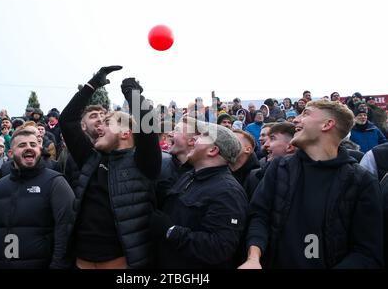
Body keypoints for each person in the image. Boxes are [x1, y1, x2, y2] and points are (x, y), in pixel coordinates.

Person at [239, 100, 383, 269]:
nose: (295, 120)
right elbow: (259, 216)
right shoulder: (278, 169)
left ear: (327, 124)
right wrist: (253, 258)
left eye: (306, 113)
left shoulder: (361, 181)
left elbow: (367, 252)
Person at [59, 66, 162, 269]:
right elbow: (67, 120)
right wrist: (93, 84)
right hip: (81, 260)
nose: (99, 126)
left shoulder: (143, 163)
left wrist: (133, 94)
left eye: (107, 122)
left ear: (125, 133)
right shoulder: (90, 159)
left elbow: (148, 130)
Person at [152, 122, 248, 268]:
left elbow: (219, 248)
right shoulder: (190, 175)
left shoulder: (228, 192)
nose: (195, 138)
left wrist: (171, 231)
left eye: (203, 135)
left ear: (213, 150)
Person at [0, 128, 75, 268]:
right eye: (22, 145)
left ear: (40, 150)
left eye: (33, 145)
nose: (29, 148)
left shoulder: (55, 182)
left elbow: (66, 228)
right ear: (10, 153)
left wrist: (58, 265)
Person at [243, 122, 296, 200]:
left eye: (272, 138)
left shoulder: (303, 175)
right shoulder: (256, 175)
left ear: (290, 147)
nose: (265, 144)